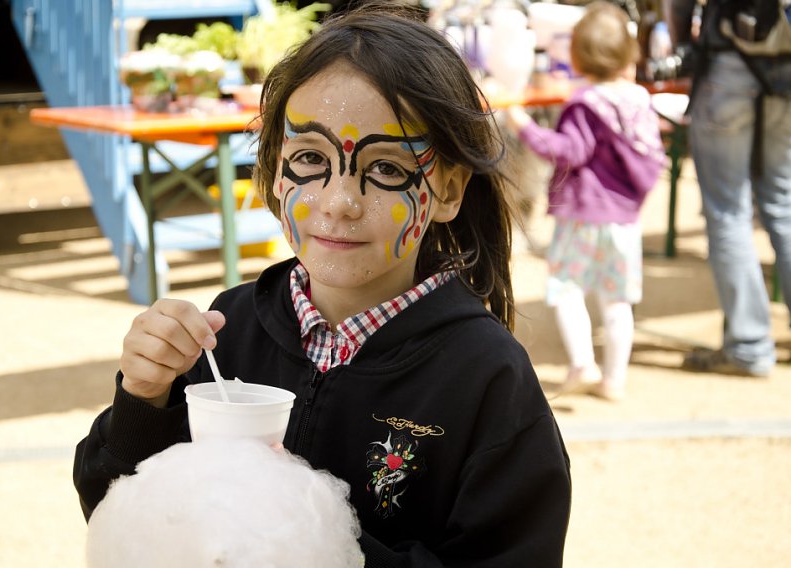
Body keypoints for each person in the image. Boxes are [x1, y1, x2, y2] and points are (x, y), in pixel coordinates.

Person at [74, 4, 572, 566]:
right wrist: (145, 398)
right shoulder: (225, 334)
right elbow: (119, 511)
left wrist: (314, 546)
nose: (340, 202)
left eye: (386, 168)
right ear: (271, 172)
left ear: (449, 190)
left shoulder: (487, 379)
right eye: (310, 158)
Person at [504, 2, 667, 401]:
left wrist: (522, 124)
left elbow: (568, 151)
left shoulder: (586, 104)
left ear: (576, 55)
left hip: (582, 215)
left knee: (567, 288)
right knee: (617, 299)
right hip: (624, 219)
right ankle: (614, 378)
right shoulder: (639, 100)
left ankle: (582, 364)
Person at [663, 0, 791, 377]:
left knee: (727, 212)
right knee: (783, 205)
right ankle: (749, 344)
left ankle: (749, 346)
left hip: (728, 65)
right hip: (785, 67)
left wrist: (682, 43)